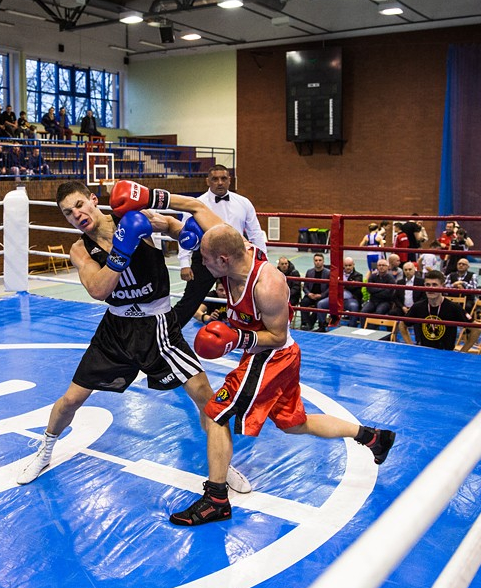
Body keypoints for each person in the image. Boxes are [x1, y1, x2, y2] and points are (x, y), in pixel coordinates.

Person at [14, 180, 252, 508]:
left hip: (159, 326)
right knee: (70, 400)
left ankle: (223, 467)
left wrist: (184, 232)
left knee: (205, 399)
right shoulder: (80, 249)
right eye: (68, 213)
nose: (77, 214)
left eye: (80, 205)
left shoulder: (134, 217)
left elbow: (175, 228)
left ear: (93, 200)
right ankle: (44, 450)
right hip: (116, 330)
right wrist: (121, 251)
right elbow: (98, 289)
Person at [167, 196, 396, 526]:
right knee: (294, 424)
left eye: (205, 259)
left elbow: (275, 336)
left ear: (223, 259)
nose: (202, 265)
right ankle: (373, 436)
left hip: (271, 356)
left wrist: (236, 338)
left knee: (215, 414)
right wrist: (151, 199)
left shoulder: (268, 284)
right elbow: (198, 209)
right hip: (272, 356)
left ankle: (216, 499)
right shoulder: (234, 249)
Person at [173, 164, 268, 328]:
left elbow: (256, 233)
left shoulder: (243, 203)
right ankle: (167, 333)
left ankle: (255, 337)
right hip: (205, 259)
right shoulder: (196, 204)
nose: (219, 182)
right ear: (207, 181)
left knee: (248, 300)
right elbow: (184, 234)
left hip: (236, 259)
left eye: (223, 178)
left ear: (229, 180)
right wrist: (184, 264)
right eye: (215, 179)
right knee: (189, 301)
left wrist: (263, 262)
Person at [406, 269, 480, 351]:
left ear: (442, 286)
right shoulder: (418, 306)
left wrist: (462, 352)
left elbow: (476, 330)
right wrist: (410, 345)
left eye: (434, 285)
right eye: (427, 284)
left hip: (446, 355)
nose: (431, 288)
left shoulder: (453, 307)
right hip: (424, 353)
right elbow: (402, 324)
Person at [315, 256, 363, 331]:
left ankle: (351, 328)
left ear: (353, 265)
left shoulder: (358, 275)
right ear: (343, 265)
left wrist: (341, 284)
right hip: (336, 298)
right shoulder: (337, 273)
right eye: (346, 265)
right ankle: (322, 326)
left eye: (350, 265)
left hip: (350, 299)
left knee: (354, 307)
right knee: (320, 304)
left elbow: (354, 286)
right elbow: (328, 266)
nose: (348, 267)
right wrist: (348, 284)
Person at [390, 261, 425, 342]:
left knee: (418, 318)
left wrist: (414, 307)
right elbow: (395, 298)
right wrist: (402, 307)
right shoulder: (400, 282)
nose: (408, 271)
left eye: (410, 269)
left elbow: (423, 298)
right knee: (392, 313)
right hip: (403, 308)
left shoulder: (421, 282)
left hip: (416, 309)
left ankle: (419, 341)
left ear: (414, 270)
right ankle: (391, 337)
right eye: (405, 270)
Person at [298, 252, 330, 330]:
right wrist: (309, 293)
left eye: (320, 260)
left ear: (323, 261)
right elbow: (305, 286)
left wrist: (321, 295)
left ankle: (310, 324)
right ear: (313, 261)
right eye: (316, 260)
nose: (318, 262)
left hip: (322, 296)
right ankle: (305, 323)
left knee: (319, 305)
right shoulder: (309, 272)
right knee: (303, 302)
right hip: (311, 295)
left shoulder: (328, 273)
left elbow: (329, 288)